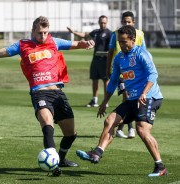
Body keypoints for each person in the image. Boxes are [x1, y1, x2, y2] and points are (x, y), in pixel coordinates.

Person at [0, 16, 95, 176]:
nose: (43, 36)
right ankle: (54, 166)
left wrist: (86, 43)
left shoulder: (54, 42)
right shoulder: (23, 45)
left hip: (58, 93)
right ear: (32, 31)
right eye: (39, 33)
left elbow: (77, 44)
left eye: (45, 32)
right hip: (40, 93)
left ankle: (61, 158)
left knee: (71, 134)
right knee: (47, 125)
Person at [76, 25, 167, 177]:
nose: (122, 45)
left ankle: (160, 166)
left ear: (132, 39)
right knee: (110, 120)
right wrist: (104, 102)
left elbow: (153, 75)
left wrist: (144, 93)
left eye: (124, 42)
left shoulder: (142, 53)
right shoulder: (119, 58)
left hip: (150, 96)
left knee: (142, 130)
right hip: (132, 99)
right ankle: (97, 153)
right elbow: (112, 81)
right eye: (119, 42)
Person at [107, 11, 147, 139]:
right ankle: (129, 128)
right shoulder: (115, 34)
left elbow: (144, 52)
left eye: (129, 22)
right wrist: (108, 69)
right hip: (121, 72)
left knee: (131, 98)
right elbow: (110, 51)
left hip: (135, 75)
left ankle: (121, 127)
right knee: (127, 95)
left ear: (133, 22)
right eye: (124, 22)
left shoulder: (140, 34)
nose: (126, 23)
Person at [67, 15, 111, 108]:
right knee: (94, 79)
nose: (103, 24)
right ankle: (94, 100)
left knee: (105, 80)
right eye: (101, 22)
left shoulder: (109, 33)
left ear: (106, 23)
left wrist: (108, 54)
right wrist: (73, 32)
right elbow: (85, 35)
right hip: (95, 59)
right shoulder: (96, 32)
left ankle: (106, 100)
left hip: (105, 61)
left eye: (104, 22)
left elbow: (112, 48)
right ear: (99, 22)